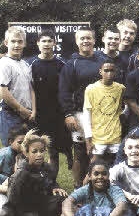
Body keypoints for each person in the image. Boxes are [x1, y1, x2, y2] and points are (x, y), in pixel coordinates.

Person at [0, 130, 68, 216]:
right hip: (25, 214)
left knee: (61, 201)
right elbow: (9, 206)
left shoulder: (46, 168)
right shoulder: (21, 175)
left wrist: (55, 187)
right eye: (34, 151)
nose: (39, 155)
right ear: (26, 153)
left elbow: (51, 181)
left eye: (42, 151)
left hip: (41, 208)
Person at [59, 27, 107, 187]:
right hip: (80, 114)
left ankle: (98, 187)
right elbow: (64, 90)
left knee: (100, 151)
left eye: (89, 38)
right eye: (82, 38)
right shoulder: (71, 63)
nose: (86, 41)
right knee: (80, 152)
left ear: (94, 40)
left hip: (102, 114)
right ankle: (78, 187)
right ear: (77, 41)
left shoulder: (103, 60)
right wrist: (68, 114)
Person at [28, 28, 70, 169]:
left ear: (54, 43)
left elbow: (67, 90)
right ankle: (34, 180)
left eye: (49, 41)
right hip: (36, 114)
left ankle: (52, 182)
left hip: (56, 115)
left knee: (53, 151)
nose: (46, 44)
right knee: (34, 150)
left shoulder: (62, 64)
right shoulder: (30, 64)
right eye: (43, 41)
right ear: (38, 44)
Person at [82, 60, 126, 164]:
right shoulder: (91, 89)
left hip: (115, 136)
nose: (109, 74)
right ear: (100, 71)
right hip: (98, 137)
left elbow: (126, 105)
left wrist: (123, 115)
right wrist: (88, 140)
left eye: (112, 71)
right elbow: (87, 115)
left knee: (116, 165)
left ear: (115, 72)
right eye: (106, 70)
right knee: (94, 166)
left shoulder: (120, 88)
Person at [0, 26, 35, 146]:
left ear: (24, 43)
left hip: (27, 114)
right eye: (13, 41)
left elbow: (31, 89)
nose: (16, 45)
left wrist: (33, 111)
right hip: (11, 114)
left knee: (26, 153)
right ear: (6, 43)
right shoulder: (4, 63)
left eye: (20, 41)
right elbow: (3, 91)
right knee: (12, 153)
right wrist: (21, 109)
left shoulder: (25, 64)